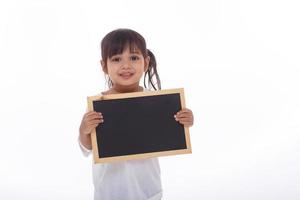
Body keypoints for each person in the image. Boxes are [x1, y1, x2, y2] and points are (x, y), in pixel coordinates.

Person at [78, 28, 194, 200]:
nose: (126, 65)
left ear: (145, 63)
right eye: (116, 59)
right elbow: (88, 146)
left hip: (147, 189)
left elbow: (170, 132)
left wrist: (186, 120)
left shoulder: (157, 102)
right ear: (104, 66)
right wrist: (84, 129)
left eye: (134, 58)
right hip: (110, 191)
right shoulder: (99, 104)